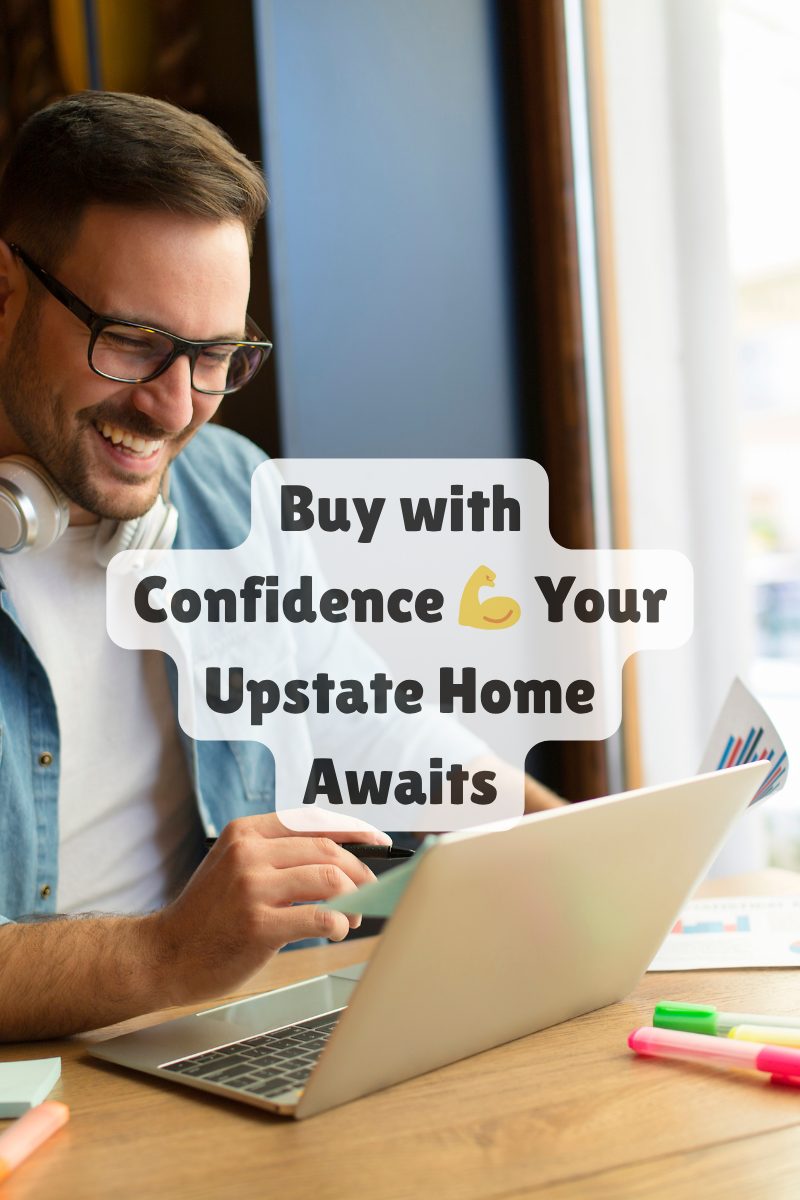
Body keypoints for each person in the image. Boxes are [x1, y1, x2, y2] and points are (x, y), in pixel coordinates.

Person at [0, 92, 561, 1042]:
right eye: (132, 342)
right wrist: (169, 953)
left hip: (224, 1046)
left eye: (216, 356)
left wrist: (585, 852)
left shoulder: (233, 491)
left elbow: (374, 729)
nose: (175, 408)